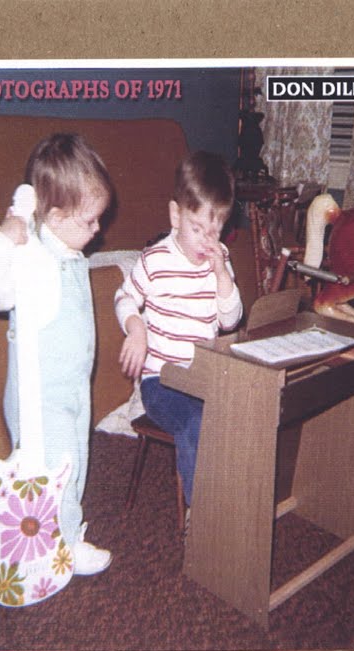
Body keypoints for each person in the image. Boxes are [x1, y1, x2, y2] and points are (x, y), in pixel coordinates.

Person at [0, 133, 113, 575]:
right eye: (90, 221)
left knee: (75, 460)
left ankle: (58, 534)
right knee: (60, 468)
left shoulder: (69, 252)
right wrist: (4, 241)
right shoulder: (33, 255)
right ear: (54, 216)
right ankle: (67, 544)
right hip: (41, 398)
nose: (98, 230)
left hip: (71, 387)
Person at [114, 151, 243, 530]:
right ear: (175, 216)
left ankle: (236, 496)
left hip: (203, 377)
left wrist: (222, 276)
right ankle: (200, 514)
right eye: (197, 228)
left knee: (247, 408)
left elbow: (231, 319)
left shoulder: (219, 261)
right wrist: (136, 328)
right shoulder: (155, 261)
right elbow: (124, 297)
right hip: (162, 381)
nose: (206, 241)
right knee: (196, 420)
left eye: (215, 231)